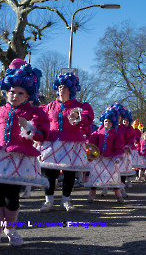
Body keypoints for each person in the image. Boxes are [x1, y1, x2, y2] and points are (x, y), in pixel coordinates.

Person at [0, 59, 50, 245]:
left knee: (11, 198)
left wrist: (27, 127)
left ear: (28, 95)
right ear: (6, 92)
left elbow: (41, 136)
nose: (15, 95)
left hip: (19, 160)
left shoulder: (35, 113)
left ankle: (10, 229)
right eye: (11, 91)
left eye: (20, 93)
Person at [38, 73, 94, 212]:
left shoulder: (79, 105)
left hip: (71, 142)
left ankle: (66, 200)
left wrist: (79, 116)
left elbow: (87, 117)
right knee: (50, 173)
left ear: (71, 89)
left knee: (69, 174)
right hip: (52, 141)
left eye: (65, 87)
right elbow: (40, 119)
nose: (61, 89)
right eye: (59, 86)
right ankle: (48, 201)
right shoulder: (50, 106)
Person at [86, 108, 124, 203]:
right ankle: (92, 195)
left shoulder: (115, 134)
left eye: (110, 121)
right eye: (106, 121)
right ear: (103, 121)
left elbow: (118, 146)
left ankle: (118, 195)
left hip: (111, 158)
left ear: (113, 122)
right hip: (99, 158)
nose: (107, 123)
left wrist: (117, 156)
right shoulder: (98, 133)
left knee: (114, 176)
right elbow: (92, 144)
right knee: (95, 175)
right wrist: (91, 153)